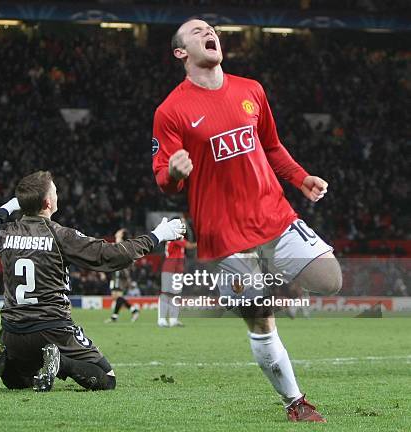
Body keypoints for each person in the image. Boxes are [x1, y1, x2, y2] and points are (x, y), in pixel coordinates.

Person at [152, 19, 342, 422]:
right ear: (180, 52)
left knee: (330, 280)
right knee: (259, 316)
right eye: (197, 30)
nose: (209, 31)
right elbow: (163, 179)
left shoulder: (250, 89)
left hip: (272, 213)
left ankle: (260, 281)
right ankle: (296, 403)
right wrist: (175, 173)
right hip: (224, 231)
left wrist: (300, 177)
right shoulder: (171, 111)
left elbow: (271, 145)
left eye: (211, 28)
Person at [0, 170, 185, 392]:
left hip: (11, 332)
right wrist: (157, 235)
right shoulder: (60, 235)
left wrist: (10, 205)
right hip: (53, 328)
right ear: (47, 203)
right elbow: (114, 255)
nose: (58, 196)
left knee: (20, 382)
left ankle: (3, 359)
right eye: (55, 192)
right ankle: (60, 362)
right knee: (106, 378)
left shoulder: (5, 234)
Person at [159, 217, 196, 328]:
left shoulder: (177, 236)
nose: (184, 224)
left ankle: (173, 320)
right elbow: (189, 246)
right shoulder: (174, 236)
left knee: (175, 294)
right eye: (182, 222)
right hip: (169, 268)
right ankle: (161, 320)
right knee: (166, 293)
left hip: (177, 269)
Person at [105, 229, 140, 323]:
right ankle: (116, 316)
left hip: (120, 272)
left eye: (119, 232)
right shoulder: (118, 245)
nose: (117, 233)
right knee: (115, 296)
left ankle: (133, 310)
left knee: (117, 296)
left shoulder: (122, 245)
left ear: (122, 235)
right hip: (116, 272)